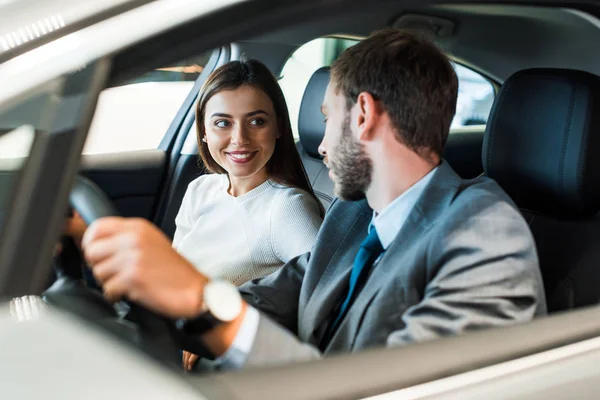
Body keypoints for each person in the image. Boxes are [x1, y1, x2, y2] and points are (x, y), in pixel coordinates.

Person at [80, 28, 546, 371]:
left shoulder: (485, 232)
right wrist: (166, 310)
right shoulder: (354, 213)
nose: (320, 146)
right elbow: (273, 297)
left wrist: (206, 310)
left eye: (327, 118)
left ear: (362, 115)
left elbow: (393, 385)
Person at [67, 59, 323, 287]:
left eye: (256, 122)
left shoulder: (288, 209)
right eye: (223, 123)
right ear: (203, 131)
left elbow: (322, 300)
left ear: (278, 127)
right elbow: (172, 277)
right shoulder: (200, 189)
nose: (239, 139)